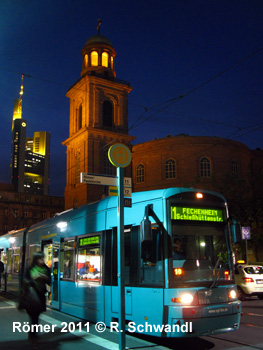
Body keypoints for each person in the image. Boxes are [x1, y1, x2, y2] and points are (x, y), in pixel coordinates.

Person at [23, 252, 51, 344]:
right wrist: (33, 280)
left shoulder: (46, 269)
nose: (42, 260)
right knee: (33, 316)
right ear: (36, 259)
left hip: (40, 295)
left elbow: (49, 282)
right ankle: (33, 336)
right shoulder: (30, 268)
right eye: (40, 258)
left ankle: (32, 334)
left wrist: (45, 278)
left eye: (43, 258)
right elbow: (25, 280)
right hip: (31, 295)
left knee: (36, 317)